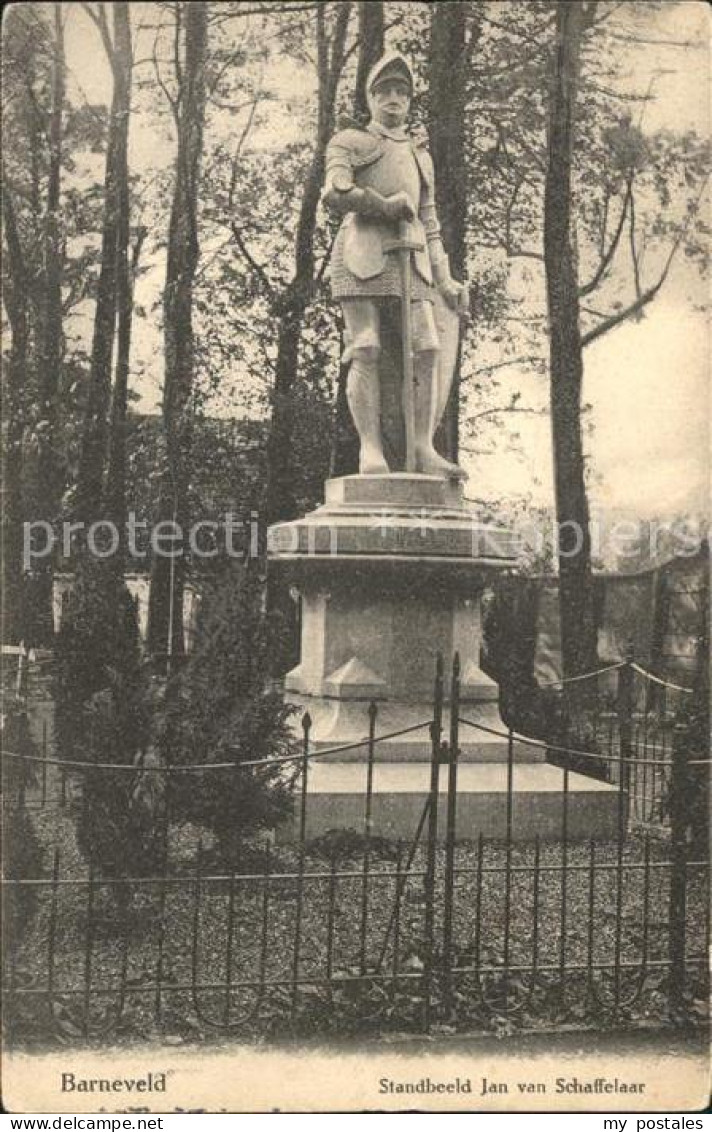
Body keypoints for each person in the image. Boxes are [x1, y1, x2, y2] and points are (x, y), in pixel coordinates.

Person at [323, 51, 466, 478]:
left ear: (410, 98)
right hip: (361, 252)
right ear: (370, 97)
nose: (393, 98)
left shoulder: (421, 155)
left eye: (401, 91)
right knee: (366, 346)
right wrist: (383, 206)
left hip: (413, 257)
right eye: (384, 90)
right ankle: (371, 450)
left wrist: (445, 278)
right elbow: (333, 193)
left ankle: (422, 447)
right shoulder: (350, 142)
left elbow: (430, 222)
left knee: (428, 347)